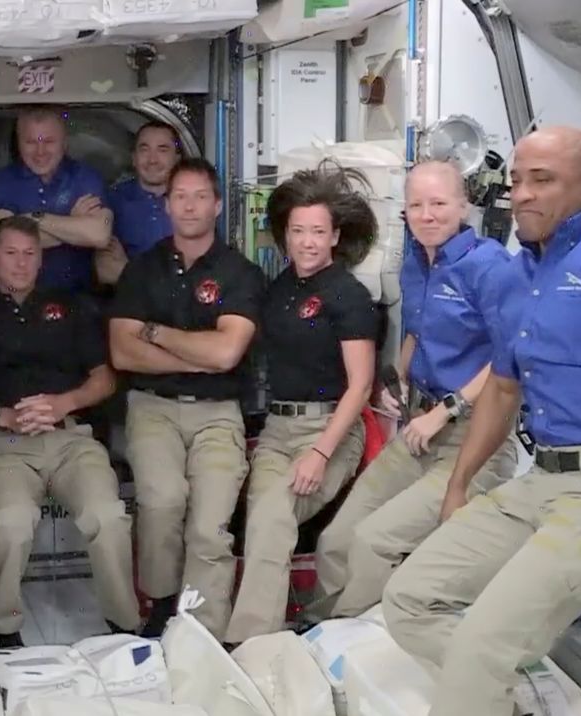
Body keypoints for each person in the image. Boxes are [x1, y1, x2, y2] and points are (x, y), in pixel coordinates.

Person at [381, 126, 581, 715]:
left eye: (542, 180)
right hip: (540, 479)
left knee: (482, 645)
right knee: (408, 599)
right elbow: (502, 388)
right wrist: (459, 485)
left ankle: (485, 684)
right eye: (516, 180)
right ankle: (515, 698)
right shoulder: (520, 273)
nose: (522, 193)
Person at [309, 160, 524, 621]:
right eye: (416, 205)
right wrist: (398, 378)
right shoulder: (415, 264)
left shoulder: (490, 267)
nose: (427, 215)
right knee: (336, 540)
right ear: (404, 212)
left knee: (374, 541)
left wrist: (446, 409)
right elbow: (419, 332)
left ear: (463, 206)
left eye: (439, 204)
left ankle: (355, 635)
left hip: (474, 436)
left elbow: (511, 358)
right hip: (419, 427)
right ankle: (321, 632)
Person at [0, 215, 142, 647]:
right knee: (9, 523)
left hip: (72, 437)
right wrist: (2, 416)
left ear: (41, 259)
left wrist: (64, 403)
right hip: (8, 445)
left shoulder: (71, 306)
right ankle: (5, 629)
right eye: (11, 254)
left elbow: (105, 378)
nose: (20, 264)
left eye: (30, 254)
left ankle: (124, 625)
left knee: (108, 516)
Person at [108, 158, 266, 639]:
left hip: (218, 413)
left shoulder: (241, 273)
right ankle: (159, 610)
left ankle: (204, 629)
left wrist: (157, 333)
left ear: (217, 205)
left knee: (210, 525)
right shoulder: (141, 270)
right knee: (161, 500)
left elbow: (227, 352)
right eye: (181, 196)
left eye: (200, 196)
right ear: (167, 204)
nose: (190, 206)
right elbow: (122, 351)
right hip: (152, 408)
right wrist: (196, 355)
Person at [223, 168, 379, 645]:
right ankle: (276, 635)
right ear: (283, 237)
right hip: (277, 430)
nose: (308, 242)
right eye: (297, 231)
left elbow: (361, 385)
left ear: (335, 236)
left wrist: (321, 453)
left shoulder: (348, 296)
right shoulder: (278, 290)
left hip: (329, 429)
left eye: (317, 232)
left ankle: (249, 643)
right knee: (264, 522)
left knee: (273, 517)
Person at [0, 106, 113, 293]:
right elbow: (0, 242)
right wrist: (74, 225)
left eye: (49, 141)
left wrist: (35, 218)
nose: (40, 151)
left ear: (65, 143)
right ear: (18, 143)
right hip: (17, 300)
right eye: (30, 142)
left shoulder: (86, 176)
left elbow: (100, 235)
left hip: (78, 298)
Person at [96, 121, 182, 285]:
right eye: (144, 149)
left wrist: (128, 269)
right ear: (134, 158)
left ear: (177, 159)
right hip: (129, 306)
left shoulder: (191, 201)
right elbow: (107, 272)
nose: (152, 159)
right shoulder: (112, 201)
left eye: (162, 150)